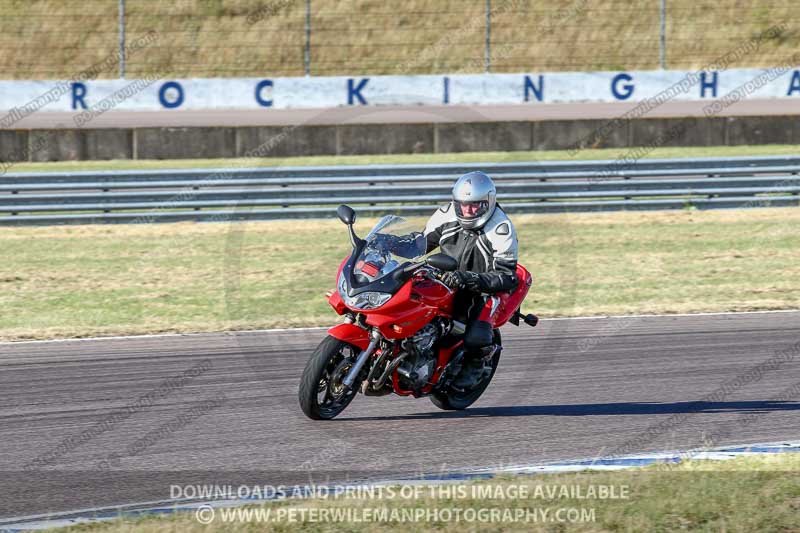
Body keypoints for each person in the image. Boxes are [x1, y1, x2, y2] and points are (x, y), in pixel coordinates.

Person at [423, 171, 519, 387]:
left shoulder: (500, 228)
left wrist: (468, 278)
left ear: (488, 202)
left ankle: (477, 362)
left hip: (482, 286)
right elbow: (420, 244)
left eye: (474, 205)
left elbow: (507, 276)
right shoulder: (446, 214)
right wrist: (388, 244)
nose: (467, 210)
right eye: (463, 204)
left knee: (476, 332)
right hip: (444, 278)